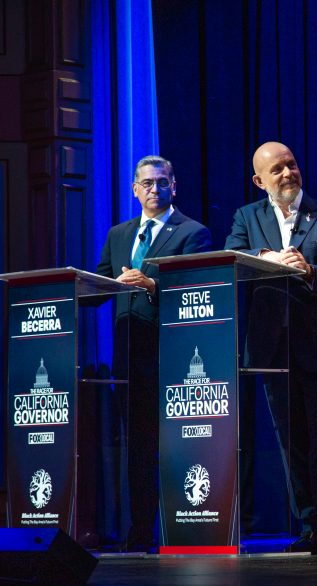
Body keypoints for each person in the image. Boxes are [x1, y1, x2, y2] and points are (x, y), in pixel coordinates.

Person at [224, 141, 317, 554]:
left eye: (292, 165)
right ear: (259, 181)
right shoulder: (247, 216)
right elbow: (232, 255)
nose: (287, 174)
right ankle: (308, 523)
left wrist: (311, 269)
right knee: (289, 438)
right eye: (277, 170)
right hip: (271, 344)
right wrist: (267, 257)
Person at [95, 155, 212, 551]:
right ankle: (140, 529)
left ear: (173, 186)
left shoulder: (193, 233)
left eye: (162, 182)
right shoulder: (118, 234)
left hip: (172, 356)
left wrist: (150, 284)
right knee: (138, 445)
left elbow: (197, 291)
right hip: (128, 352)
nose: (154, 189)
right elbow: (101, 280)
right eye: (146, 183)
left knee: (176, 443)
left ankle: (184, 527)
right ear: (134, 189)